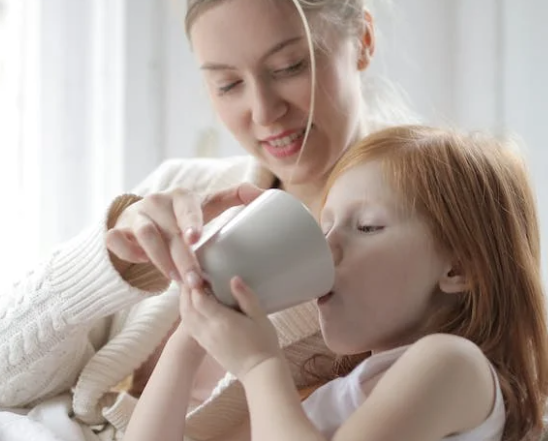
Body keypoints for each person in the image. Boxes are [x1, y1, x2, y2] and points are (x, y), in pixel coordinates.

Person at [0, 0, 418, 440]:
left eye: (290, 66)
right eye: (228, 83)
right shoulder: (179, 187)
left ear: (364, 42)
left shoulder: (415, 247)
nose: (263, 112)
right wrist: (108, 267)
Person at [124, 125, 548, 441]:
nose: (326, 248)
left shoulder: (453, 363)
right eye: (324, 227)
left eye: (366, 227)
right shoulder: (334, 393)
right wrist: (189, 337)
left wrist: (259, 365)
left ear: (459, 269)